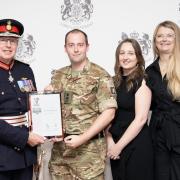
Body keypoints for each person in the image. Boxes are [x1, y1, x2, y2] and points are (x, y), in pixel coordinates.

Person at [46, 29, 117, 180]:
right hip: (61, 156)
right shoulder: (58, 75)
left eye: (80, 44)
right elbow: (53, 110)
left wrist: (82, 138)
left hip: (89, 156)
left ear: (87, 47)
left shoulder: (100, 75)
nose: (76, 49)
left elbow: (109, 113)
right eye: (71, 45)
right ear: (65, 48)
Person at [0, 18, 45, 180]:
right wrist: (25, 138)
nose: (8, 45)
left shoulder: (25, 70)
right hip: (2, 155)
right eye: (3, 40)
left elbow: (33, 107)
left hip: (25, 156)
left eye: (12, 41)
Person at [107, 38, 154, 180]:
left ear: (138, 58)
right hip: (115, 143)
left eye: (130, 53)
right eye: (122, 53)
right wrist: (109, 141)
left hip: (136, 145)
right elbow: (106, 114)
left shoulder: (142, 81)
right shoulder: (112, 81)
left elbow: (140, 119)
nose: (125, 57)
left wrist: (118, 147)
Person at [146, 20, 180, 180]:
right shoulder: (149, 71)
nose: (164, 39)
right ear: (155, 41)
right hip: (158, 133)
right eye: (160, 36)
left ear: (176, 39)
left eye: (169, 35)